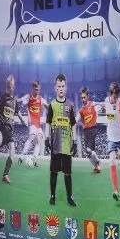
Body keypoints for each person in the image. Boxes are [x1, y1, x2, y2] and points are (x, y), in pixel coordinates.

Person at [45, 73, 77, 206]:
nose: (61, 88)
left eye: (63, 86)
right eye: (59, 86)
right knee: (54, 171)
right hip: (56, 144)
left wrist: (75, 141)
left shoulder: (70, 105)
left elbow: (73, 124)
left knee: (68, 173)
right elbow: (48, 123)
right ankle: (52, 196)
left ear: (66, 87)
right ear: (55, 88)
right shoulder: (52, 105)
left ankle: (69, 197)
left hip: (67, 145)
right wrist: (46, 139)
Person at [0, 74, 26, 184]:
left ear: (13, 87)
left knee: (12, 153)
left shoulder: (15, 100)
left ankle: (5, 174)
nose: (8, 88)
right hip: (1, 128)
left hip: (10, 131)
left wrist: (22, 120)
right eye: (7, 86)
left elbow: (17, 112)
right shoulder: (3, 97)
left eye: (10, 86)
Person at [17, 80, 47, 166]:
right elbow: (19, 100)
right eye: (36, 89)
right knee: (32, 137)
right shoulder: (28, 97)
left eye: (38, 89)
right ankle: (21, 157)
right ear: (32, 88)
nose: (37, 91)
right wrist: (14, 99)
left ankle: (34, 159)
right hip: (32, 123)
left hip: (38, 125)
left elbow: (47, 106)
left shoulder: (41, 99)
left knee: (39, 140)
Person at [78, 86, 101, 173]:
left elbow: (101, 105)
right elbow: (82, 120)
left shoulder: (92, 104)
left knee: (88, 150)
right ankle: (96, 168)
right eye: (82, 98)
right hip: (86, 131)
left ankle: (98, 162)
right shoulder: (81, 110)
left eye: (84, 97)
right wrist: (84, 125)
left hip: (93, 129)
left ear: (88, 96)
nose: (83, 99)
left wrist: (106, 105)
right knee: (89, 153)